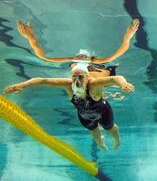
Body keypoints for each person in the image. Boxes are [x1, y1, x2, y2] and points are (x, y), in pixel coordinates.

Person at [3, 63, 135, 150]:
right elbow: (43, 80)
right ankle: (100, 142)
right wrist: (23, 85)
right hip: (84, 115)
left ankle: (117, 140)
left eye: (81, 77)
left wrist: (123, 84)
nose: (77, 81)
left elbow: (116, 78)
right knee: (94, 132)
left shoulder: (94, 84)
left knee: (110, 128)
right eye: (74, 77)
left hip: (103, 112)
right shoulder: (68, 84)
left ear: (87, 77)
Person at [16, 19, 140, 78]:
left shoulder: (74, 61)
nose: (78, 57)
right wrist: (127, 37)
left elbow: (43, 57)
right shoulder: (98, 62)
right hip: (107, 73)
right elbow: (118, 53)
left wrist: (30, 38)